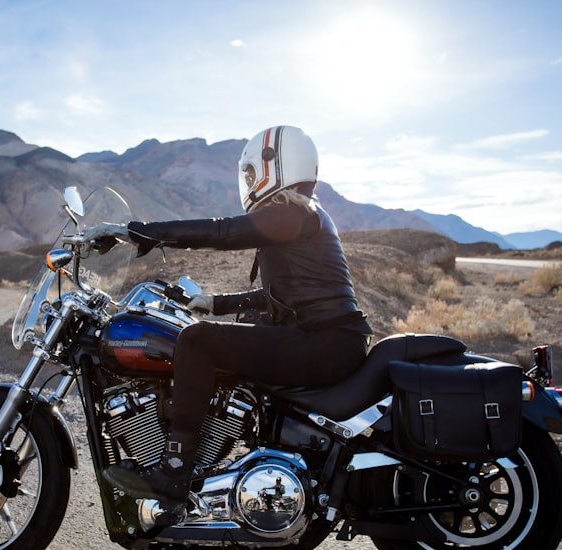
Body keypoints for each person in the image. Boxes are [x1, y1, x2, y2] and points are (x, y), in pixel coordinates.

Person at [86, 125, 374, 512]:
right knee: (209, 334)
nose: (250, 182)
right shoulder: (303, 214)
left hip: (323, 343)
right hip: (327, 340)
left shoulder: (292, 212)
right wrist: (213, 302)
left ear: (276, 165)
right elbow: (283, 296)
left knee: (197, 341)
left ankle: (174, 471)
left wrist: (140, 233)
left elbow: (222, 231)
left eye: (253, 173)